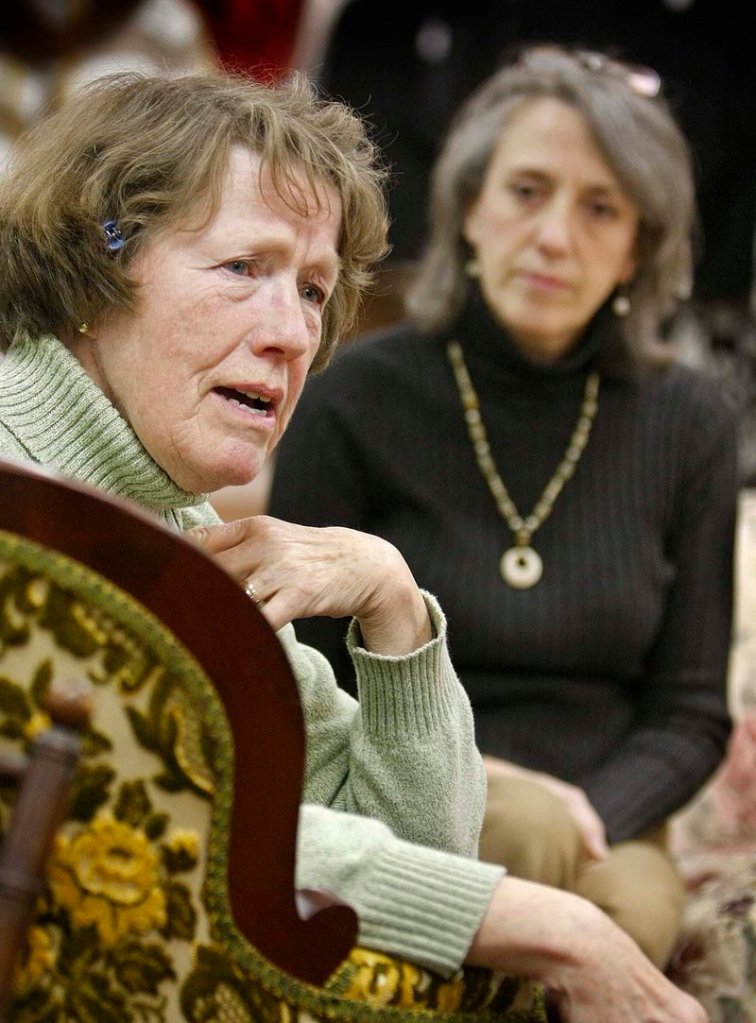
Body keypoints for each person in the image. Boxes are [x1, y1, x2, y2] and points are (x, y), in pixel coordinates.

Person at [0, 68, 707, 1023]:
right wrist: (547, 923)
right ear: (98, 259)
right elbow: (154, 820)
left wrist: (396, 605)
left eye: (315, 289)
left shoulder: (176, 524)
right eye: (244, 267)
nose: (294, 333)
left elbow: (416, 842)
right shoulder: (24, 494)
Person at [269, 44, 738, 975]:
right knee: (524, 842)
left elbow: (689, 711)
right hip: (396, 794)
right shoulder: (356, 394)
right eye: (527, 190)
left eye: (601, 207)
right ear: (469, 207)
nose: (556, 236)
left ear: (640, 247)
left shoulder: (691, 421)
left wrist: (589, 807)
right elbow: (302, 675)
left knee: (631, 908)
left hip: (611, 820)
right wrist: (504, 785)